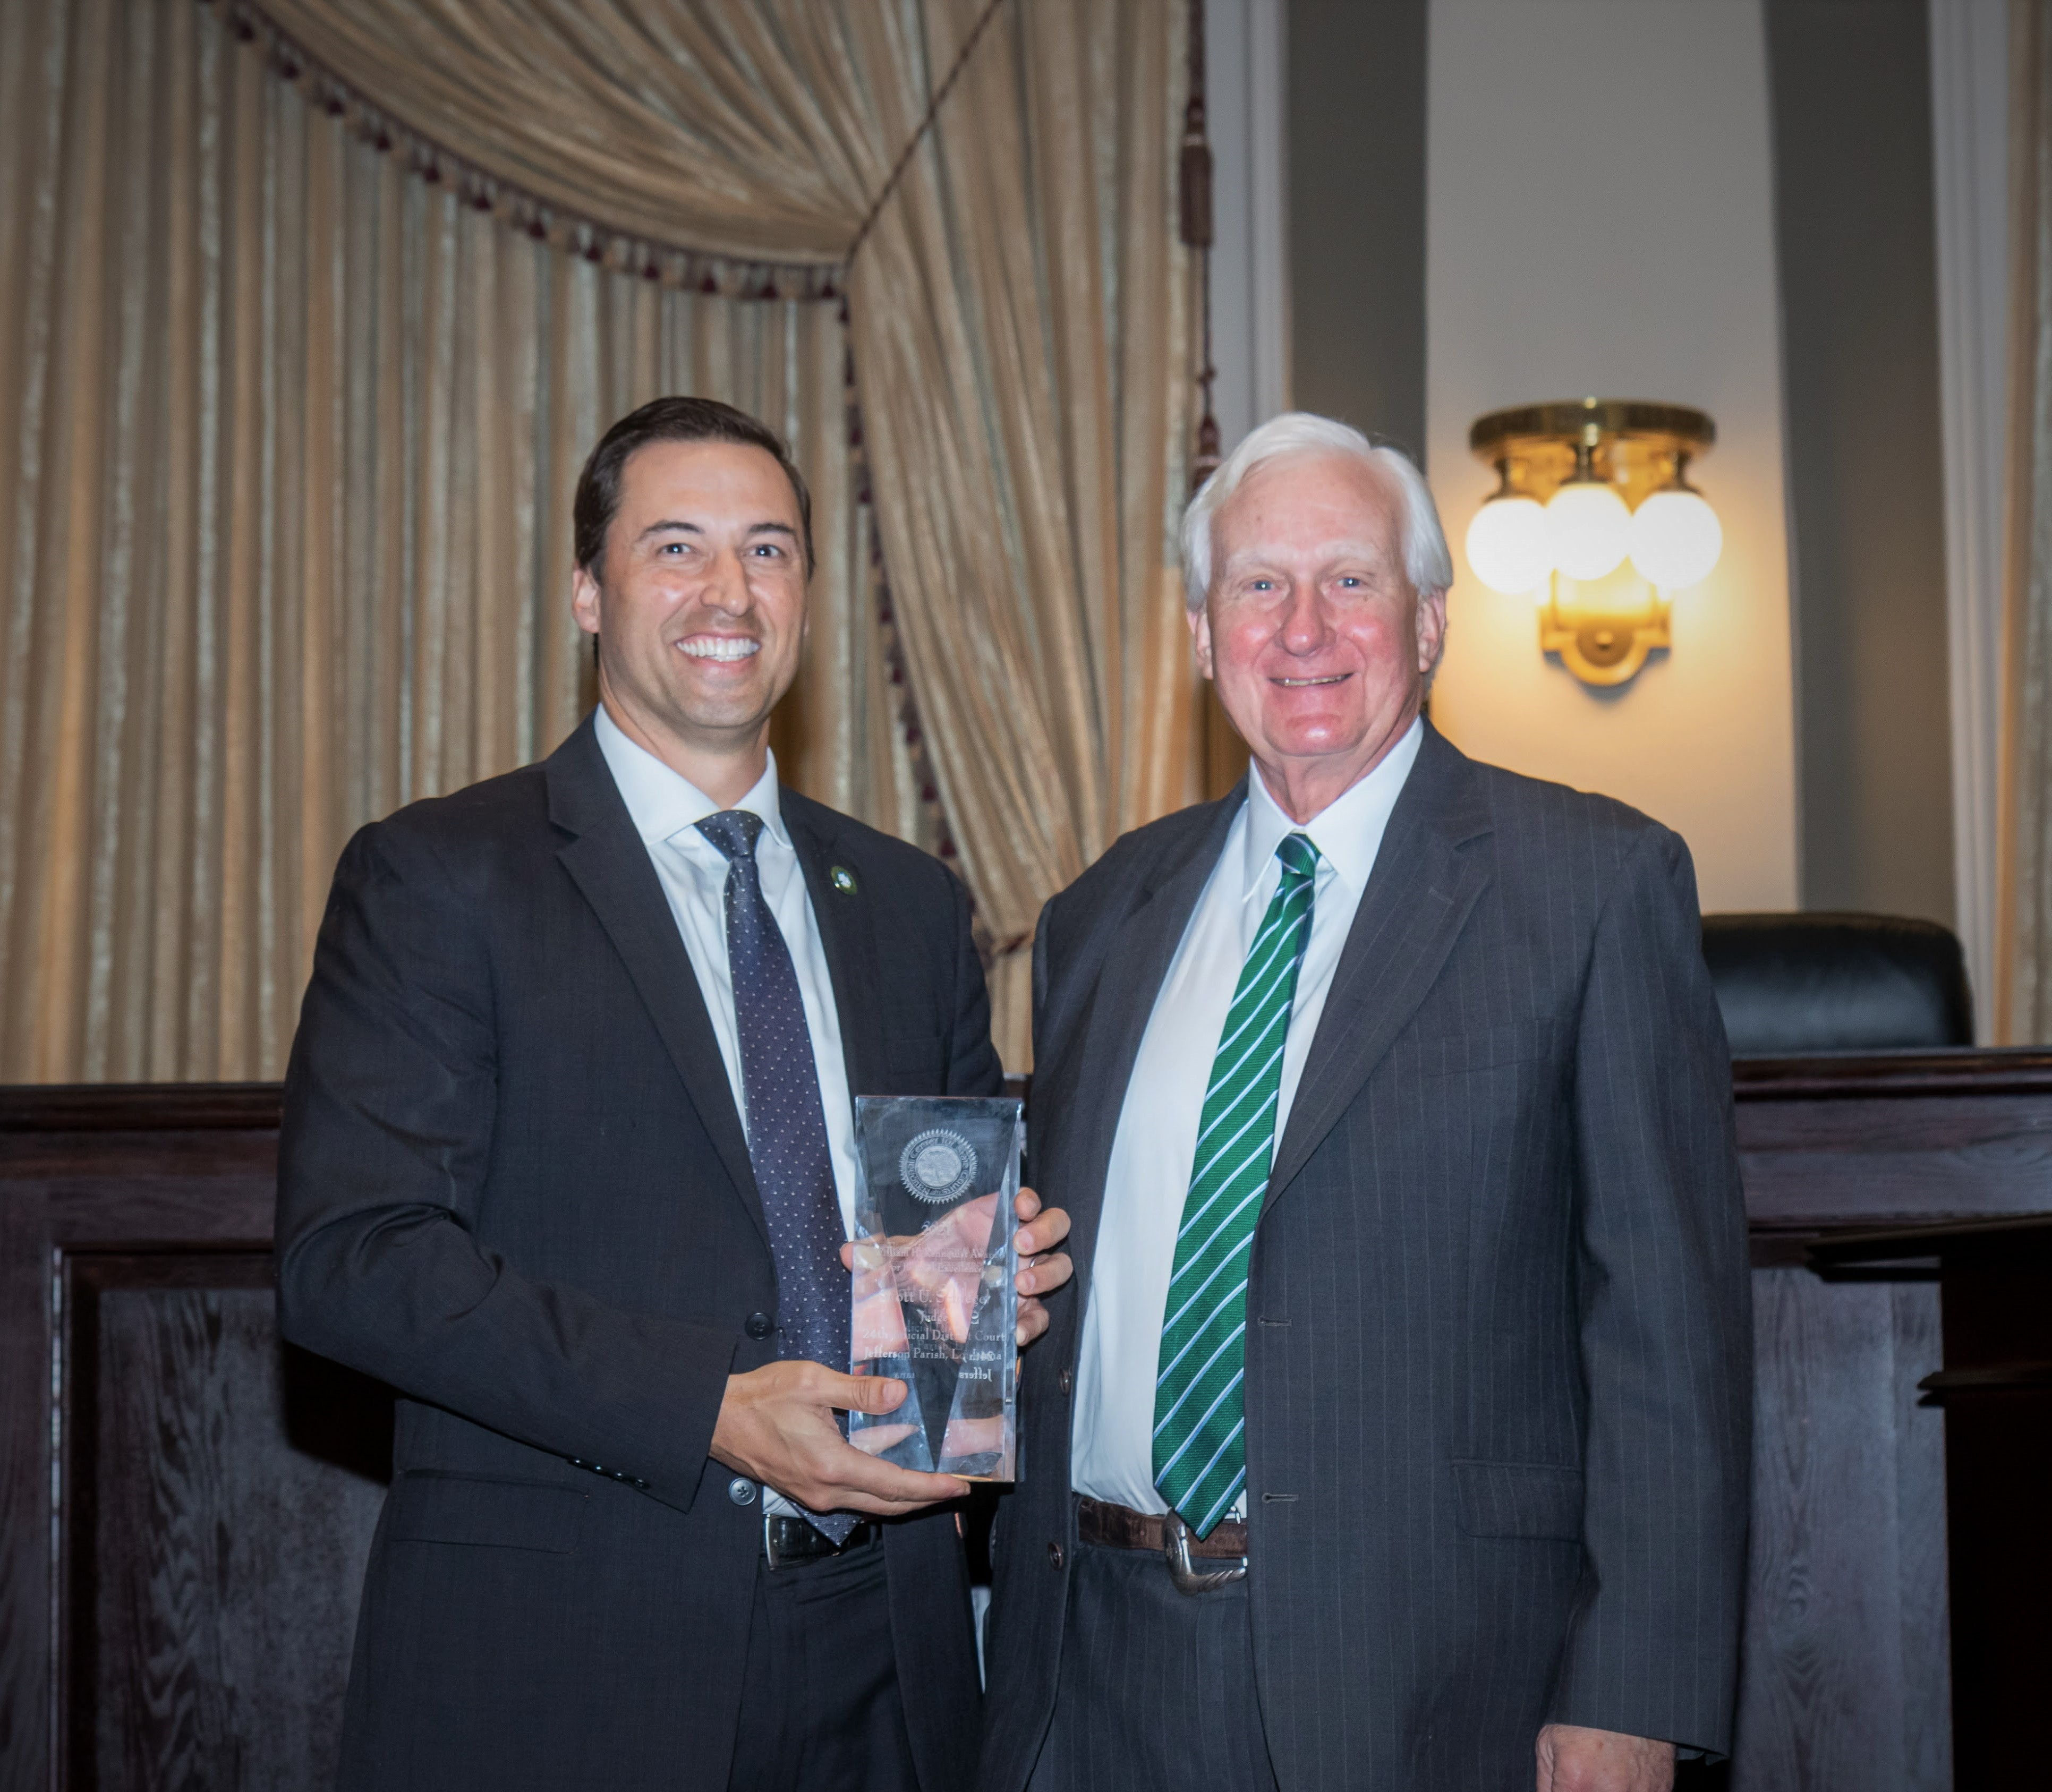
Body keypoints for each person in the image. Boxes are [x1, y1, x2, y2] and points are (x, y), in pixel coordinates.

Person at [276, 396, 1071, 1792]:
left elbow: (940, 1293)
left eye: (769, 552)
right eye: (677, 548)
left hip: (890, 1654)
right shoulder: (443, 877)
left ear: (809, 596)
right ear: (589, 590)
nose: (730, 593)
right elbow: (354, 1264)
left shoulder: (907, 903)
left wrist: (990, 1294)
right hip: (573, 1659)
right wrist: (704, 1402)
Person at [978, 413, 1751, 1792]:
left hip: (1433, 1682)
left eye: (1352, 579)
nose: (1304, 627)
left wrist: (1635, 1691)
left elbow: (1668, 1334)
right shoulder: (1098, 916)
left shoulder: (1591, 886)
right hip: (1090, 1672)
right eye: (1257, 586)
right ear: (1205, 639)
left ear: (1433, 620)